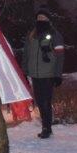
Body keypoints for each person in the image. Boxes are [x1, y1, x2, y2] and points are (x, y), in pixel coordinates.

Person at [23, 9, 64, 139]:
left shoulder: (55, 35)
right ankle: (45, 126)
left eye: (43, 18)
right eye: (38, 17)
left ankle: (47, 128)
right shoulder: (31, 35)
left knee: (46, 102)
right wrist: (25, 70)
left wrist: (57, 74)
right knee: (40, 102)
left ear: (48, 19)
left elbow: (60, 55)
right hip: (35, 74)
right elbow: (26, 54)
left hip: (48, 74)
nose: (40, 20)